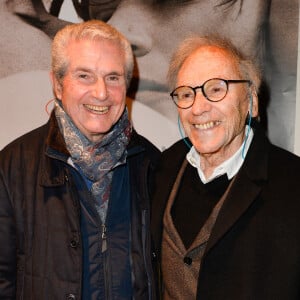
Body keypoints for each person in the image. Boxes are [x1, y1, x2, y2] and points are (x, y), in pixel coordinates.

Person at [0, 20, 160, 299]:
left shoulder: (154, 165)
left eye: (113, 77)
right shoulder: (11, 168)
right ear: (58, 84)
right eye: (84, 76)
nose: (101, 92)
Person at [151, 35, 300, 299]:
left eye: (216, 89)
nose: (198, 108)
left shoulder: (293, 184)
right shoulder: (162, 167)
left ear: (251, 101)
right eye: (186, 94)